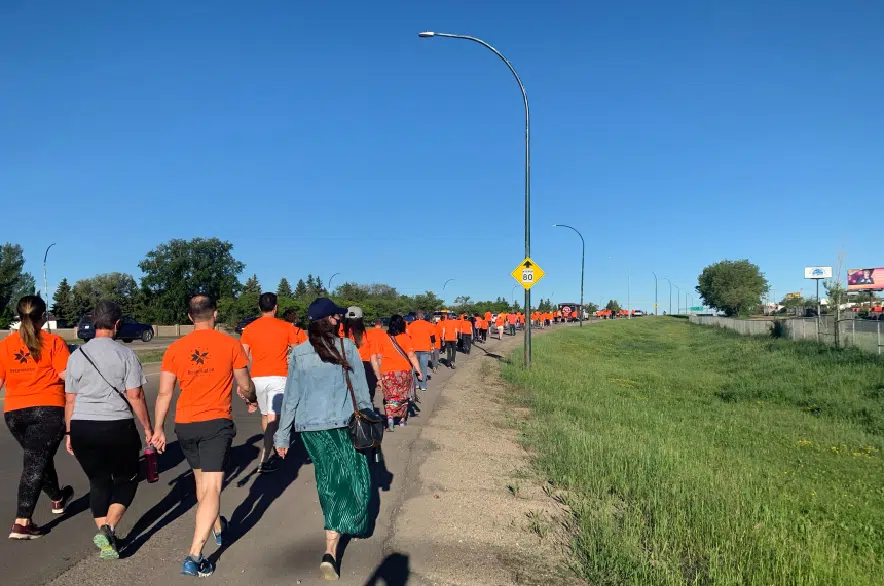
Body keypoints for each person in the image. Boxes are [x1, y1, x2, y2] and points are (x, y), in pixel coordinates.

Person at [151, 294, 257, 578]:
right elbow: (245, 384)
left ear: (189, 317)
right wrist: (250, 397)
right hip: (215, 424)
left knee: (202, 484)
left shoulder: (175, 349)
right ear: (216, 314)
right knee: (211, 488)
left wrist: (158, 428)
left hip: (185, 424)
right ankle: (195, 554)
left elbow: (164, 393)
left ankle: (218, 528)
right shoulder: (231, 345)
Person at [274, 298, 373, 581]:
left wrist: (283, 435)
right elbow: (362, 392)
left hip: (310, 430)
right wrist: (369, 423)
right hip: (343, 426)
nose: (339, 321)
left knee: (329, 479)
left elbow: (291, 397)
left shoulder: (300, 353)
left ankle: (336, 536)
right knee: (356, 478)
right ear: (327, 320)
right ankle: (334, 540)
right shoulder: (347, 347)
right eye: (336, 317)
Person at [64, 300, 154, 558]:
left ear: (94, 323)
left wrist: (69, 432)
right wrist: (147, 428)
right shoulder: (126, 355)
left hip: (82, 426)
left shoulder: (76, 356)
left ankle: (107, 539)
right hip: (117, 426)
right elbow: (135, 396)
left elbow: (70, 398)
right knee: (127, 478)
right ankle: (109, 528)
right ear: (117, 324)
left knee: (98, 482)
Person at [0, 296, 74, 540]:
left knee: (39, 459)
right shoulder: (54, 342)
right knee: (35, 462)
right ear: (43, 316)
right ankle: (22, 522)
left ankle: (57, 498)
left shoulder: (6, 345)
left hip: (15, 414)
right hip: (48, 410)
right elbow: (66, 375)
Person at [240, 292, 306, 474]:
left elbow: (242, 358)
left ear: (259, 307)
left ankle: (274, 444)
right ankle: (266, 457)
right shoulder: (286, 327)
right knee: (273, 418)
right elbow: (298, 351)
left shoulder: (250, 329)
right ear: (276, 307)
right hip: (278, 377)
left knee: (267, 416)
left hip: (257, 378)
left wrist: (242, 382)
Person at [375, 315, 422, 429]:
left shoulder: (383, 338)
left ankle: (390, 417)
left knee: (389, 395)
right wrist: (419, 371)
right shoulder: (405, 338)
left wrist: (380, 374)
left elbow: (379, 357)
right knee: (402, 395)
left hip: (387, 371)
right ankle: (401, 420)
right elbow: (411, 355)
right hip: (403, 371)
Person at [343, 307, 381, 402]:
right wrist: (379, 378)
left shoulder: (341, 335)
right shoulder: (369, 335)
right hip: (365, 369)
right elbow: (373, 360)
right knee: (366, 400)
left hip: (345, 368)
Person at [406, 311, 434, 392]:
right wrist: (432, 346)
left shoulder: (412, 325)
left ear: (416, 317)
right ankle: (423, 385)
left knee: (415, 366)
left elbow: (408, 337)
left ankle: (417, 384)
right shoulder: (429, 324)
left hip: (414, 349)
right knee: (423, 367)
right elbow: (432, 337)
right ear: (423, 317)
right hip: (425, 348)